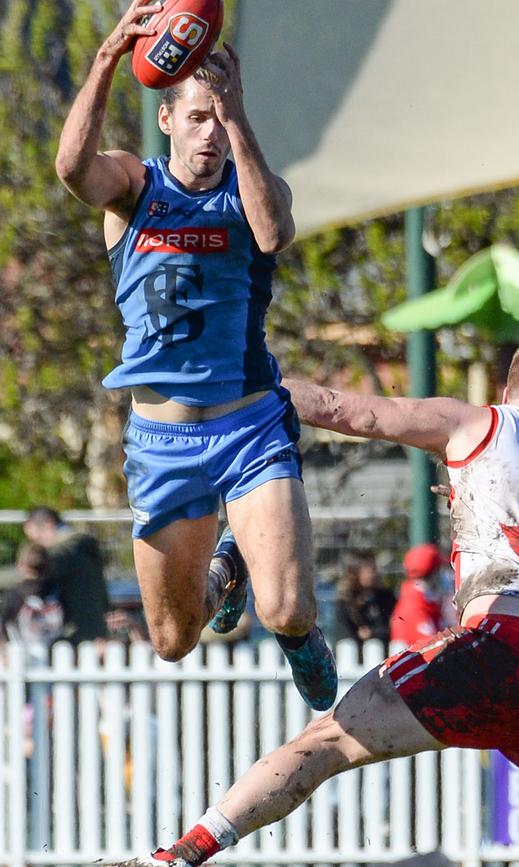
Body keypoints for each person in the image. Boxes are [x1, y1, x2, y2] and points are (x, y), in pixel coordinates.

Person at [111, 337, 519, 867]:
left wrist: (249, 392)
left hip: (506, 650)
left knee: (329, 741)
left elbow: (352, 412)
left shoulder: (478, 422)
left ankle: (179, 857)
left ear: (506, 390)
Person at [54, 0, 336, 709]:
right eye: (199, 116)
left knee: (290, 610)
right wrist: (106, 59)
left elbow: (273, 233)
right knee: (174, 638)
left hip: (248, 426)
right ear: (168, 119)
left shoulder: (252, 191)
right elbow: (70, 169)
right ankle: (223, 575)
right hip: (162, 438)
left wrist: (239, 115)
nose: (209, 132)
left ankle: (298, 634)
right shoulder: (135, 188)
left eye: (219, 116)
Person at [22, 507, 109, 644]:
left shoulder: (69, 547)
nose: (37, 545)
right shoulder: (74, 546)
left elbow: (36, 566)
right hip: (84, 629)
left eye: (37, 538)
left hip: (83, 630)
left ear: (47, 524)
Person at [390, 543, 455, 646]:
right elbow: (436, 648)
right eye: (440, 569)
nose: (447, 575)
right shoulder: (413, 608)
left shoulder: (428, 603)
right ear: (432, 575)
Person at [0, 541, 63, 646]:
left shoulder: (13, 595)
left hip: (19, 655)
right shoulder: (58, 592)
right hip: (55, 655)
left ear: (20, 565)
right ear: (49, 566)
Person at [335, 549, 396, 648]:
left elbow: (394, 626)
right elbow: (345, 634)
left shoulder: (386, 596)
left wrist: (373, 632)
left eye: (375, 569)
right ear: (355, 573)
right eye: (371, 570)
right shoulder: (345, 602)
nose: (375, 574)